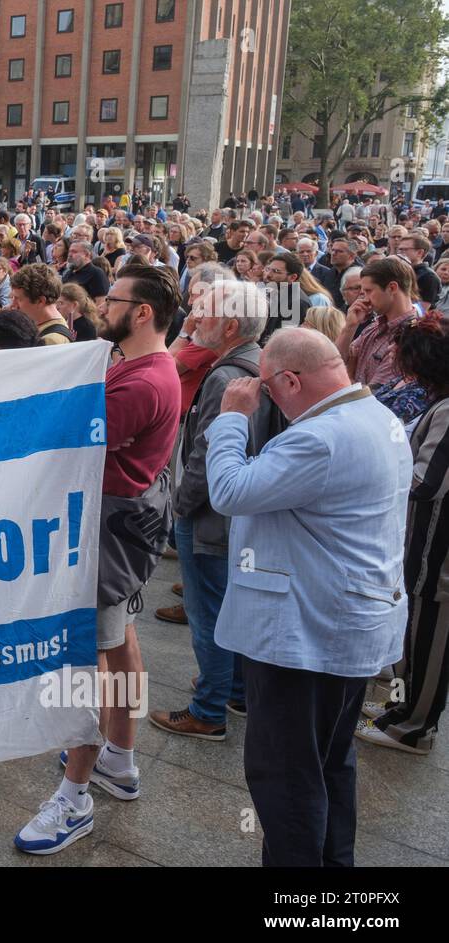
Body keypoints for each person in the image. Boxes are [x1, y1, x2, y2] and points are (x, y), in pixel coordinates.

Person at [205, 327, 411, 866]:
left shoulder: (318, 437)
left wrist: (230, 418)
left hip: (305, 633)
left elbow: (229, 492)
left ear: (291, 380)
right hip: (347, 624)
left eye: (270, 390)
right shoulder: (378, 417)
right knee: (329, 765)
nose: (268, 399)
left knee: (286, 779)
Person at [16, 263, 182, 856]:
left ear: (142, 313)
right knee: (120, 646)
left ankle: (74, 797)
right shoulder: (140, 368)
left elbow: (68, 439)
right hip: (122, 528)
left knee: (85, 667)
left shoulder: (141, 382)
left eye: (113, 300)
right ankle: (120, 759)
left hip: (106, 534)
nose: (99, 308)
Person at [149, 280, 276, 739]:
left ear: (228, 326)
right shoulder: (249, 363)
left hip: (209, 520)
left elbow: (206, 457)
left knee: (209, 618)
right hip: (230, 518)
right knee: (226, 609)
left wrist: (179, 508)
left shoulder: (226, 376)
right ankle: (234, 690)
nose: (195, 318)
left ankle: (208, 709)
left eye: (203, 312)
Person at [358, 315, 449, 754]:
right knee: (415, 628)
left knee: (430, 634)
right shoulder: (441, 401)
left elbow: (425, 481)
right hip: (424, 542)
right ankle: (402, 708)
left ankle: (416, 725)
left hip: (437, 548)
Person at [339, 257, 418, 390]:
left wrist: (348, 374)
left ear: (392, 288)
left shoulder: (412, 336)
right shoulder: (374, 326)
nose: (365, 299)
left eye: (369, 291)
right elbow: (335, 363)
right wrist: (349, 327)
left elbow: (375, 396)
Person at [10, 263, 71, 345]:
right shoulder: (42, 326)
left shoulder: (51, 341)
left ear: (40, 301)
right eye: (12, 298)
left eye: (19, 299)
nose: (12, 305)